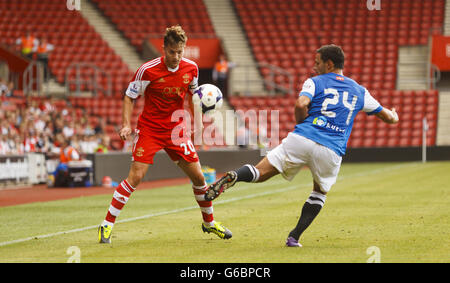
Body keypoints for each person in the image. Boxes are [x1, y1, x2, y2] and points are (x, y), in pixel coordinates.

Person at [204, 44, 399, 247]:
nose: (314, 67)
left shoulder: (314, 82)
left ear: (329, 64)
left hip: (302, 138)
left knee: (260, 172)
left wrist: (301, 124)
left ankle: (235, 176)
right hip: (331, 148)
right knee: (319, 192)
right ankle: (294, 236)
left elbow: (300, 104)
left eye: (317, 63)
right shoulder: (359, 91)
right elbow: (386, 116)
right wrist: (394, 116)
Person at [98, 25, 232, 244]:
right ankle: (106, 225)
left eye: (180, 52)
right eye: (172, 52)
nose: (176, 57)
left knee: (199, 177)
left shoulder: (191, 69)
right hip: (150, 129)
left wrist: (196, 124)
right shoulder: (148, 70)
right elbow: (129, 97)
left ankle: (209, 224)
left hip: (176, 131)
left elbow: (193, 96)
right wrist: (125, 125)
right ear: (164, 49)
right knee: (136, 176)